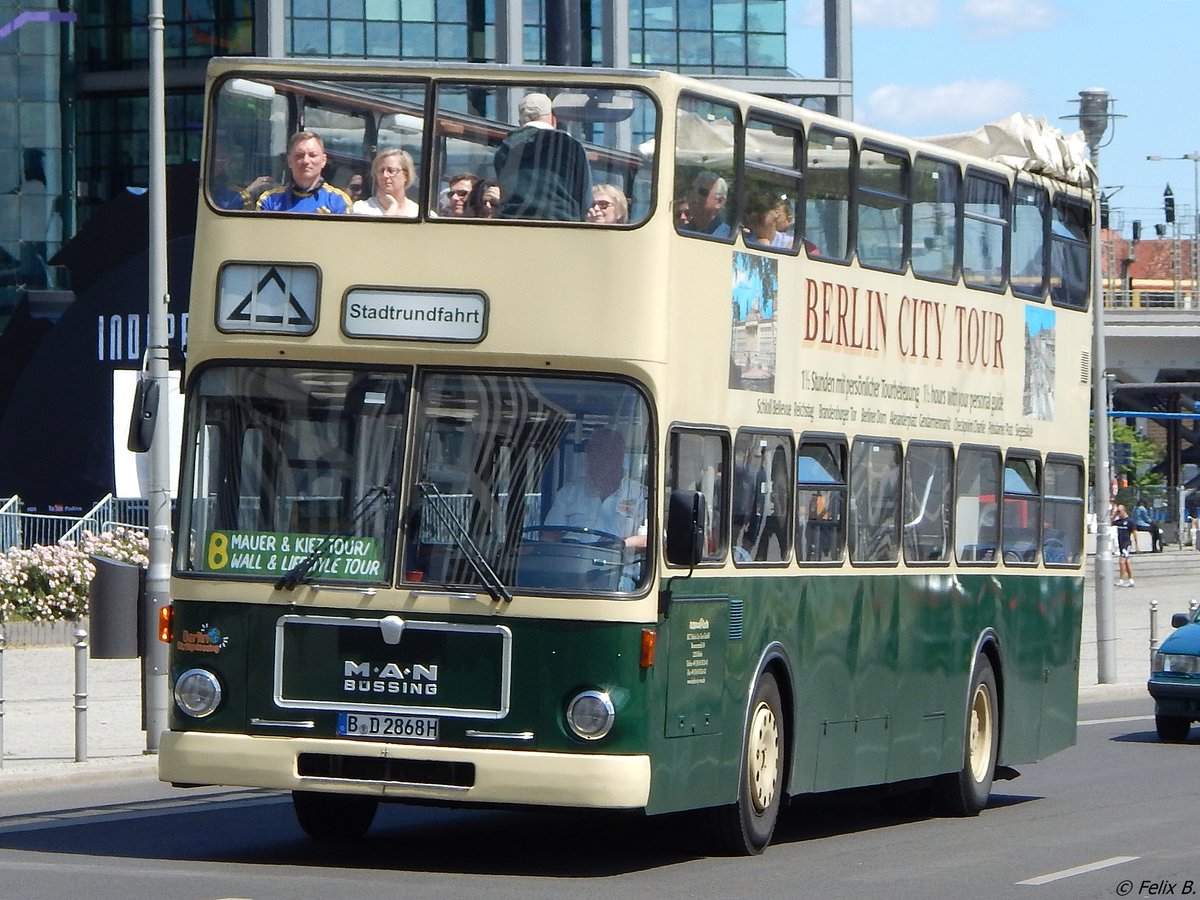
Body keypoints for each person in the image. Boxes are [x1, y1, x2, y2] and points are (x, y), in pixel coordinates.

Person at [493, 92, 592, 221]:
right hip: (562, 224)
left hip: (514, 224)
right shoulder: (571, 146)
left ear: (520, 123)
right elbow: (586, 199)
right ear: (553, 119)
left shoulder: (505, 148)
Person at [543, 429, 647, 551]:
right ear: (588, 456)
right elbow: (550, 536)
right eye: (595, 453)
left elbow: (650, 539)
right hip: (574, 564)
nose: (601, 460)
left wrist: (621, 544)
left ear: (620, 456)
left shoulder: (639, 494)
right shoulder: (570, 491)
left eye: (608, 454)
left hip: (621, 566)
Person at [256, 131, 351, 214]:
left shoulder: (339, 201)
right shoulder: (269, 201)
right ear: (289, 161)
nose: (306, 161)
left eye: (312, 155)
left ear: (323, 160)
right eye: (299, 155)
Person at [350, 148, 420, 218]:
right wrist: (392, 207)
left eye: (391, 171)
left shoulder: (417, 213)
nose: (385, 175)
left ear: (405, 175)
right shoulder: (361, 209)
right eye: (381, 171)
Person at [681, 170, 731, 237]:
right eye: (692, 189)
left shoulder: (727, 236)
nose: (695, 195)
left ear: (719, 201)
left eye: (702, 192)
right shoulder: (681, 230)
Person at [1112, 503, 1134, 586]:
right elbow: (1111, 523)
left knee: (1121, 561)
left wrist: (1137, 544)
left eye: (1119, 511)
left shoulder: (1130, 521)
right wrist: (1114, 515)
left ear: (1123, 511)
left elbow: (1134, 533)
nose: (1118, 513)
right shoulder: (1119, 522)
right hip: (1121, 544)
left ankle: (1121, 580)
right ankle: (1131, 580)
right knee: (1126, 563)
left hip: (1126, 544)